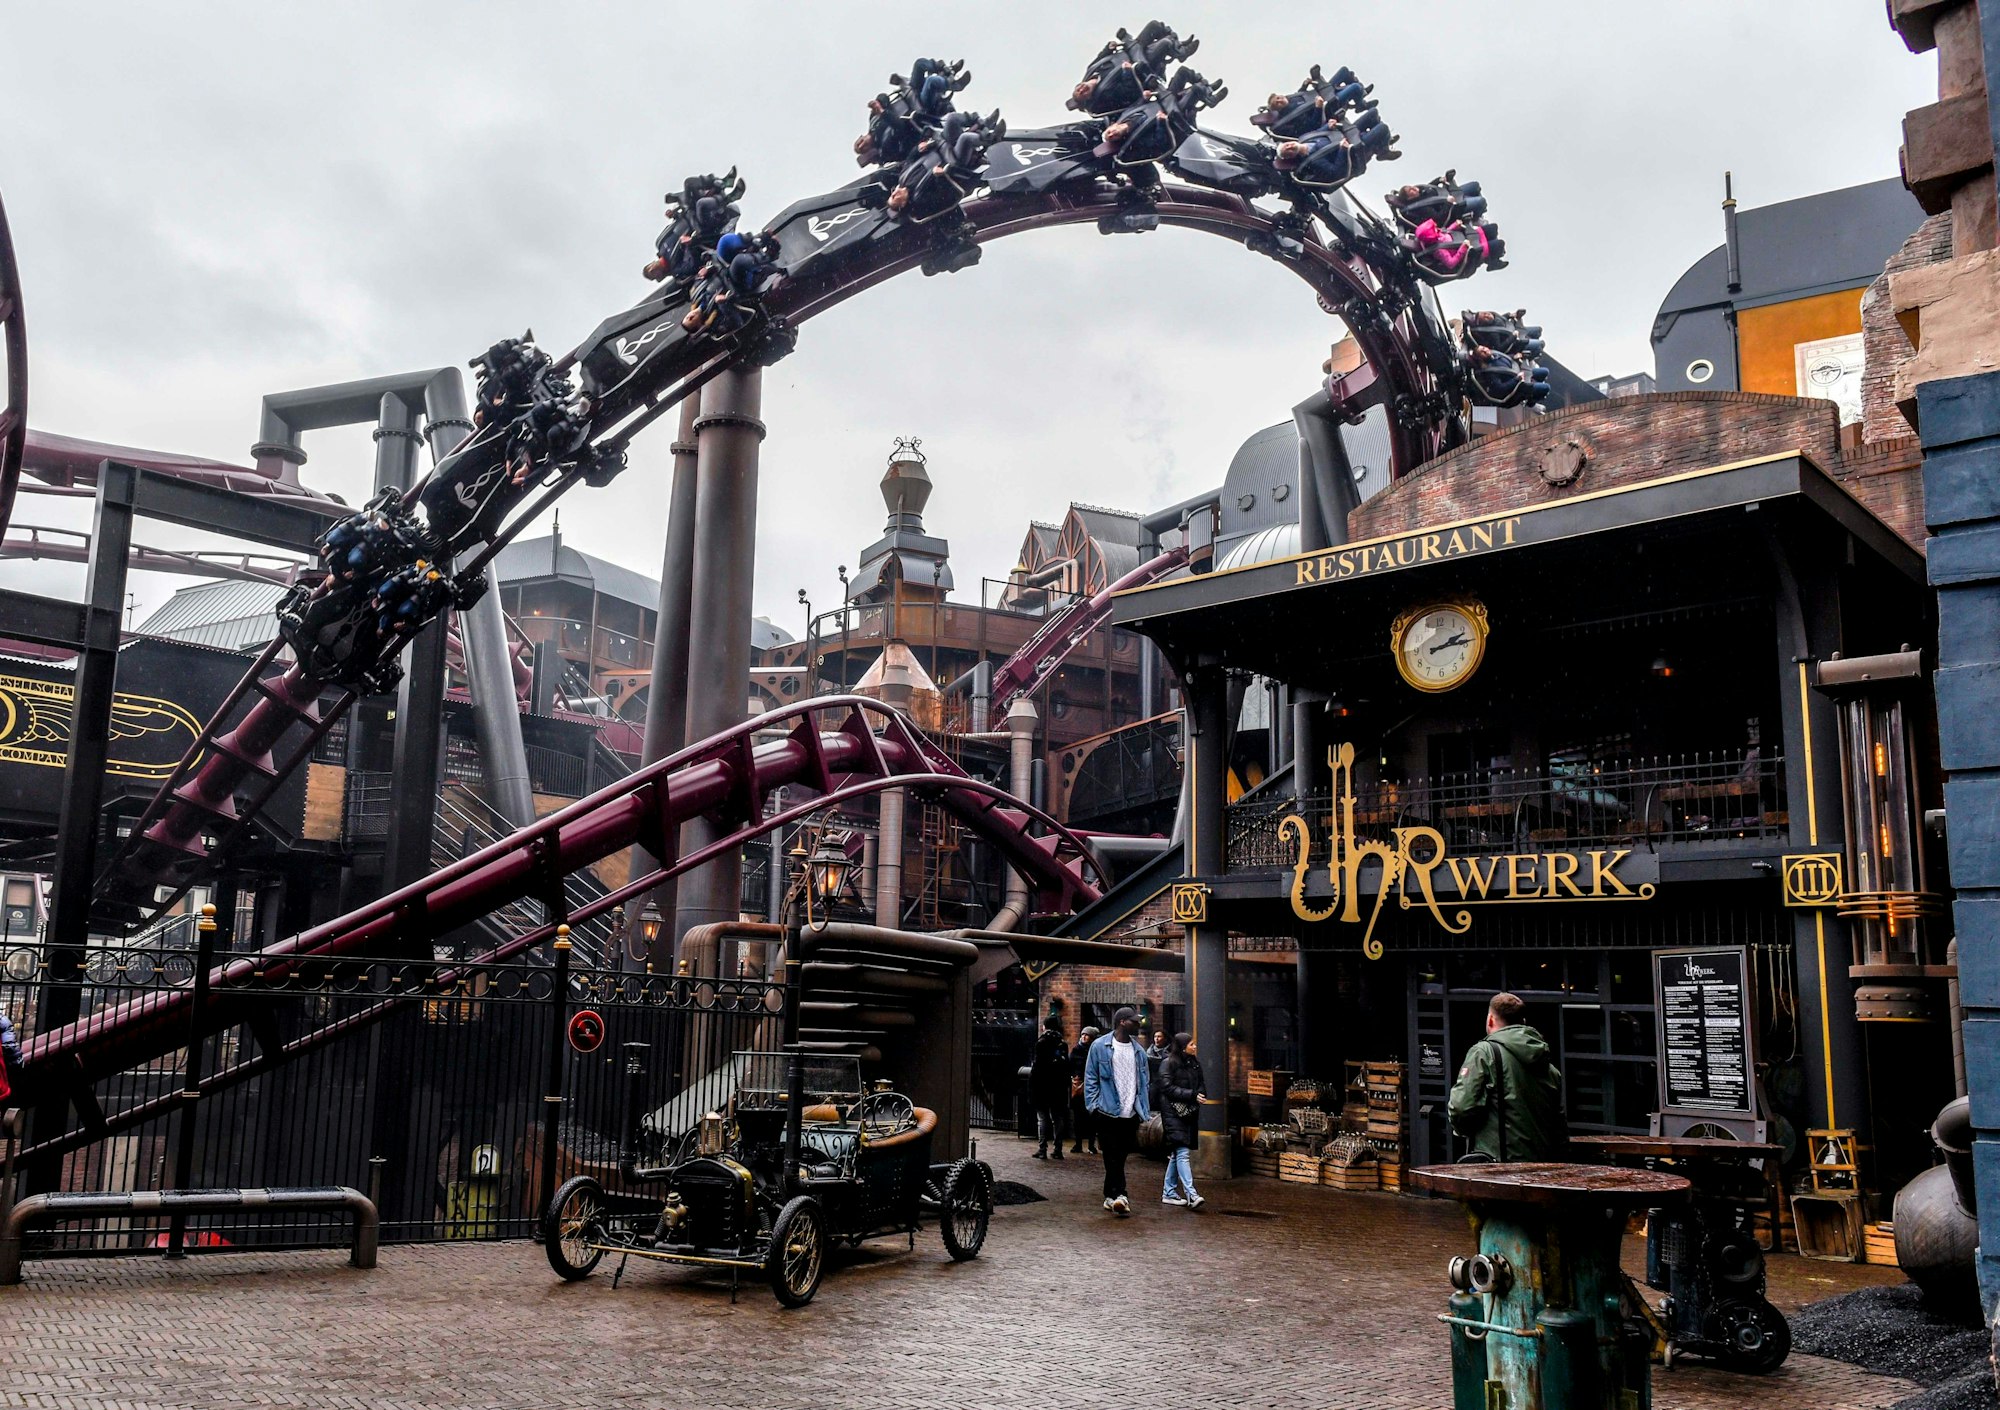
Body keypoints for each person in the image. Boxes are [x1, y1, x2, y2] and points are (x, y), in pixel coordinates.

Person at [1448, 992, 1567, 1162]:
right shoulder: (1548, 1066)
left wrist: (1464, 1129)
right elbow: (1559, 1124)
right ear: (1523, 1022)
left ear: (1490, 1019)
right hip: (1541, 1168)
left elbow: (1461, 1107)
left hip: (1499, 1168)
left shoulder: (1484, 1052)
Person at [1083, 1006, 1152, 1215]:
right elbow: (1090, 1078)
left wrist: (1142, 1108)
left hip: (1130, 1112)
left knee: (1119, 1156)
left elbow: (1144, 1081)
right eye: (1134, 1021)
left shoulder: (1139, 1050)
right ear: (1122, 1022)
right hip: (1106, 1110)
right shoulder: (1099, 1046)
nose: (1138, 1024)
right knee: (1111, 1155)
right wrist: (1093, 1106)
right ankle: (1121, 1194)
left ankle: (1110, 1196)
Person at [1158, 1032, 1206, 1209]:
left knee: (1177, 1154)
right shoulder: (1168, 1063)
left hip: (1189, 1112)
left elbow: (1201, 1083)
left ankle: (1169, 1192)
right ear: (1183, 1045)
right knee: (1183, 1152)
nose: (1195, 1047)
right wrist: (1192, 1095)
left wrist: (1199, 1095)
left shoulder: (1194, 1064)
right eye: (1192, 1044)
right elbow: (1166, 1087)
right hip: (1173, 1113)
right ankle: (1191, 1194)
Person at [1029, 1014, 1070, 1160]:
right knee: (1057, 1118)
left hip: (1042, 1087)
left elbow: (1037, 1068)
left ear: (1045, 1026)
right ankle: (1058, 1149)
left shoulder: (1041, 1042)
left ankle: (1042, 1149)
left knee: (1042, 1118)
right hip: (1058, 1087)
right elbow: (1066, 1067)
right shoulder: (1062, 1044)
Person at [1068, 1026, 1100, 1154]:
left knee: (1092, 1117)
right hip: (1078, 1087)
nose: (1084, 1037)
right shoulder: (1076, 1050)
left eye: (1087, 1035)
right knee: (1078, 1118)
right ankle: (1078, 1143)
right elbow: (1070, 1067)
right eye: (1083, 1035)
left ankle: (1091, 1145)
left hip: (1091, 1088)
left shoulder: (1094, 1051)